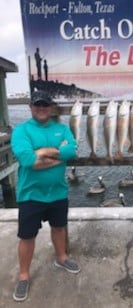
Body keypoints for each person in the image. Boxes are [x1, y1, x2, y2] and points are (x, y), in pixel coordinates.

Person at [11, 90, 80, 302]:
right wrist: (56, 155)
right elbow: (27, 160)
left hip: (58, 192)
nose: (41, 108)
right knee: (27, 236)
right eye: (37, 105)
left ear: (50, 108)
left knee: (59, 228)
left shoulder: (62, 128)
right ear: (31, 107)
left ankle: (61, 257)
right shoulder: (21, 131)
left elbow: (73, 151)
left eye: (45, 105)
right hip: (30, 195)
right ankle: (24, 275)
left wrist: (42, 152)